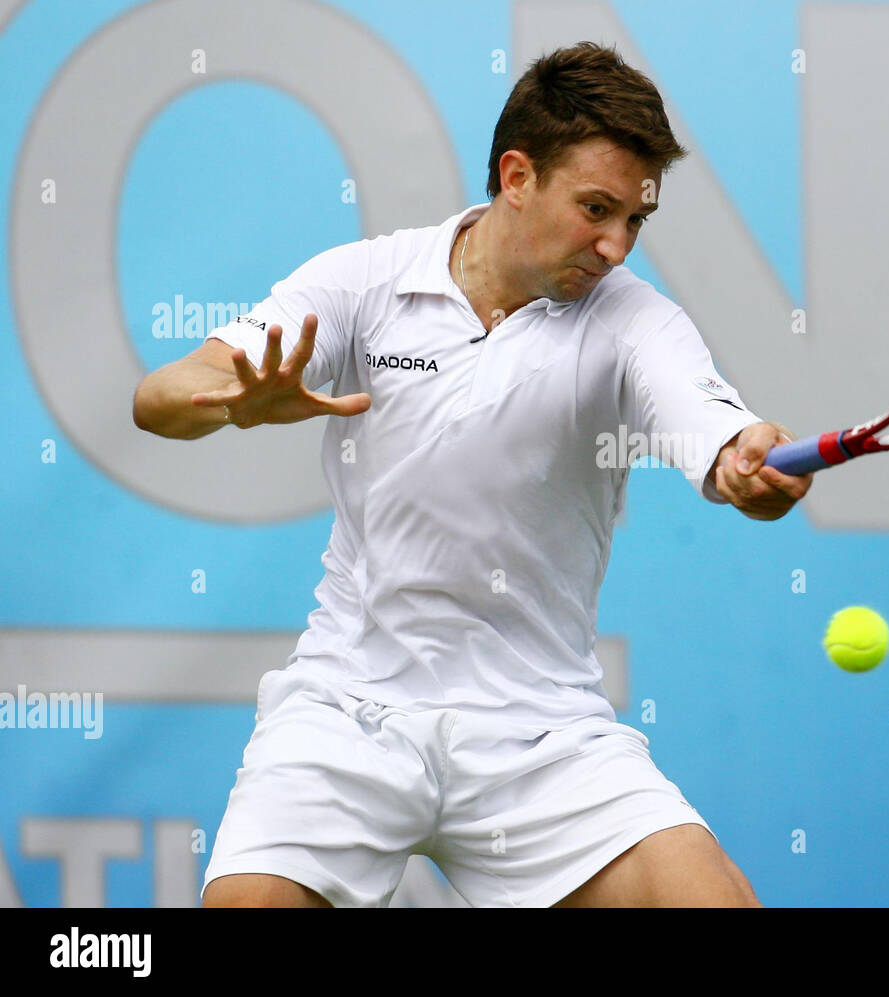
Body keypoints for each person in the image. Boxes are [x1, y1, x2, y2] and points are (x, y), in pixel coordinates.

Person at [132, 41, 811, 908]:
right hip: (349, 706)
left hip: (540, 730)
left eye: (635, 220)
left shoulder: (638, 322)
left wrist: (743, 458)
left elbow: (717, 436)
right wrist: (230, 399)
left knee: (711, 899)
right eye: (595, 208)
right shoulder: (365, 280)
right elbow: (160, 396)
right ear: (516, 175)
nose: (614, 246)